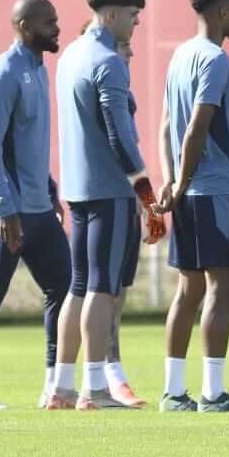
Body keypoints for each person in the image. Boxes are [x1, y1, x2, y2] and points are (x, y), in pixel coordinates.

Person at [50, 0, 165, 411]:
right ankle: (94, 389)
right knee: (102, 287)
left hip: (76, 188)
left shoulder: (70, 55)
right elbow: (120, 137)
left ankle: (61, 386)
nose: (136, 25)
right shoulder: (109, 61)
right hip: (108, 189)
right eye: (133, 17)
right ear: (112, 14)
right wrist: (145, 192)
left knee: (78, 287)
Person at [0, 0, 70, 410]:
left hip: (38, 205)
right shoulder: (4, 73)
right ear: (24, 27)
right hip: (5, 208)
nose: (56, 28)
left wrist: (51, 190)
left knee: (65, 285)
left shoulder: (38, 70)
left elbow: (27, 146)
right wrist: (5, 208)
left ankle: (54, 386)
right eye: (48, 22)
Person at [156, 0, 229, 413]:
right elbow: (196, 125)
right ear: (220, 13)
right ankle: (213, 393)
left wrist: (171, 179)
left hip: (189, 189)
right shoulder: (214, 60)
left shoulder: (180, 57)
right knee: (222, 287)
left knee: (188, 289)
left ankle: (174, 392)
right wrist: (181, 180)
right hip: (212, 190)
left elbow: (164, 127)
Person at [103, 35, 146, 407]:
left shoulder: (125, 96)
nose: (131, 52)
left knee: (120, 290)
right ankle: (106, 375)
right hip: (108, 200)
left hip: (127, 200)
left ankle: (110, 371)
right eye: (124, 46)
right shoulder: (103, 85)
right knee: (104, 291)